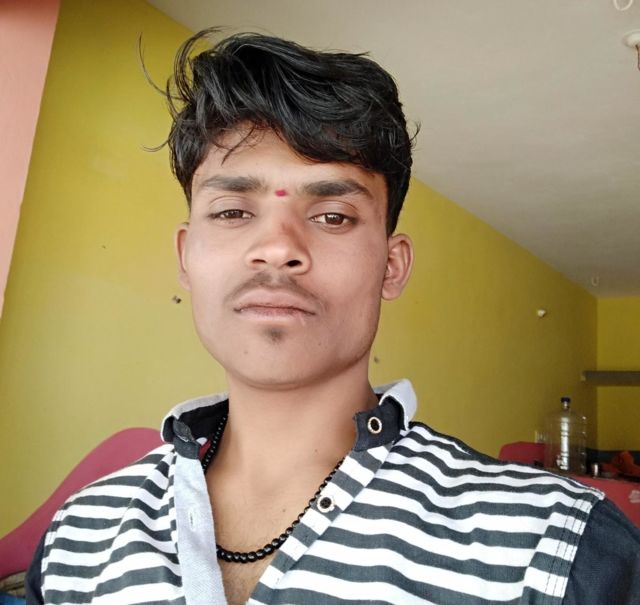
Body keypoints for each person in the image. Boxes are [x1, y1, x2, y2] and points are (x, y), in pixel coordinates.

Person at [27, 28, 639, 605]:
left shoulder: (557, 544)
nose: (277, 248)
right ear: (186, 257)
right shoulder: (76, 539)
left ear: (391, 267)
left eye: (333, 217)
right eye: (233, 212)